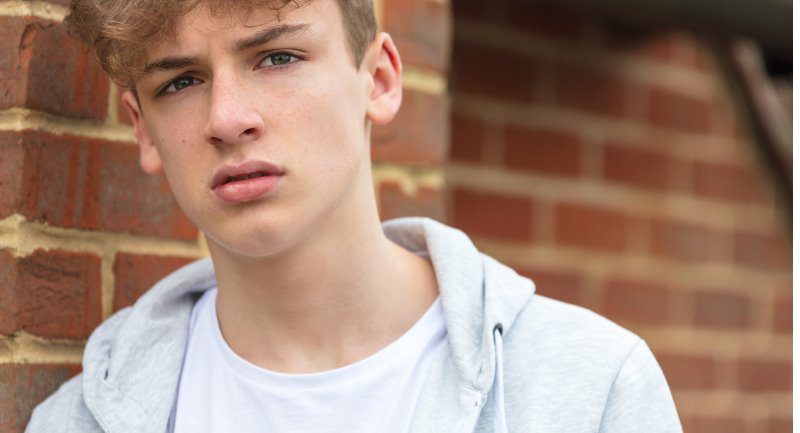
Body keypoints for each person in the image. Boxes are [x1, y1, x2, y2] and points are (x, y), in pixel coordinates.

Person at [26, 0, 683, 432]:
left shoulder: (589, 390)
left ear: (380, 80)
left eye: (277, 57)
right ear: (143, 129)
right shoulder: (75, 423)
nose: (226, 118)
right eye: (180, 81)